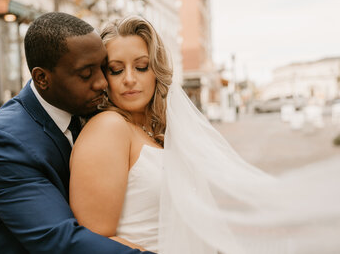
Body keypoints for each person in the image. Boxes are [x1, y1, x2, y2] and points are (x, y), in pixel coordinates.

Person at [69, 15, 340, 254]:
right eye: (116, 70)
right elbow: (94, 241)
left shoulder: (156, 131)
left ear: (157, 72)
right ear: (104, 76)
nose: (129, 78)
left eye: (141, 67)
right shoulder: (108, 128)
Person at [0, 12, 155, 254]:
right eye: (86, 74)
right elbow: (60, 239)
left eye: (103, 68)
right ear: (42, 78)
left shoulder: (90, 109)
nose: (102, 83)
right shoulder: (2, 142)